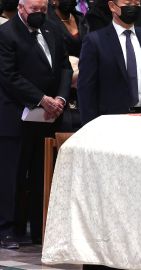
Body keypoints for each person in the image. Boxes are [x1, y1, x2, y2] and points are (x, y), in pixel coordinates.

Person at [0, 0, 72, 248]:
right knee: (13, 174)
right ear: (21, 8)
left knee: (41, 172)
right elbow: (9, 76)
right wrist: (41, 99)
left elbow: (64, 66)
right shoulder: (6, 34)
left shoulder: (52, 29)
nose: (39, 14)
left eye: (43, 10)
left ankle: (39, 228)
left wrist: (61, 98)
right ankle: (8, 229)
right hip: (16, 115)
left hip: (48, 115)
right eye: (34, 10)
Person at [77, 0, 141, 124]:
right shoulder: (95, 41)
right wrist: (89, 126)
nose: (133, 8)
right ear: (112, 6)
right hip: (111, 121)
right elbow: (86, 90)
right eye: (128, 4)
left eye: (136, 4)